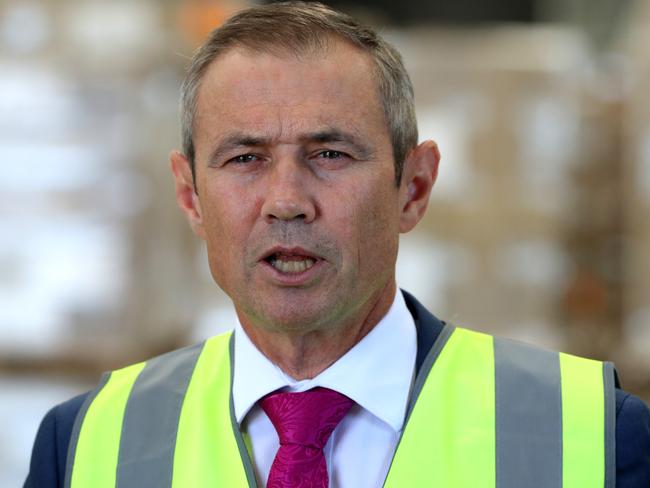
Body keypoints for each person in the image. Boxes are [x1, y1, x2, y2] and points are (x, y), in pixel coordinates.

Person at [25, 2, 650, 487]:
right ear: (190, 198)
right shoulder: (84, 447)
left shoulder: (596, 437)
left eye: (330, 154)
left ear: (414, 187)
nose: (287, 199)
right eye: (245, 158)